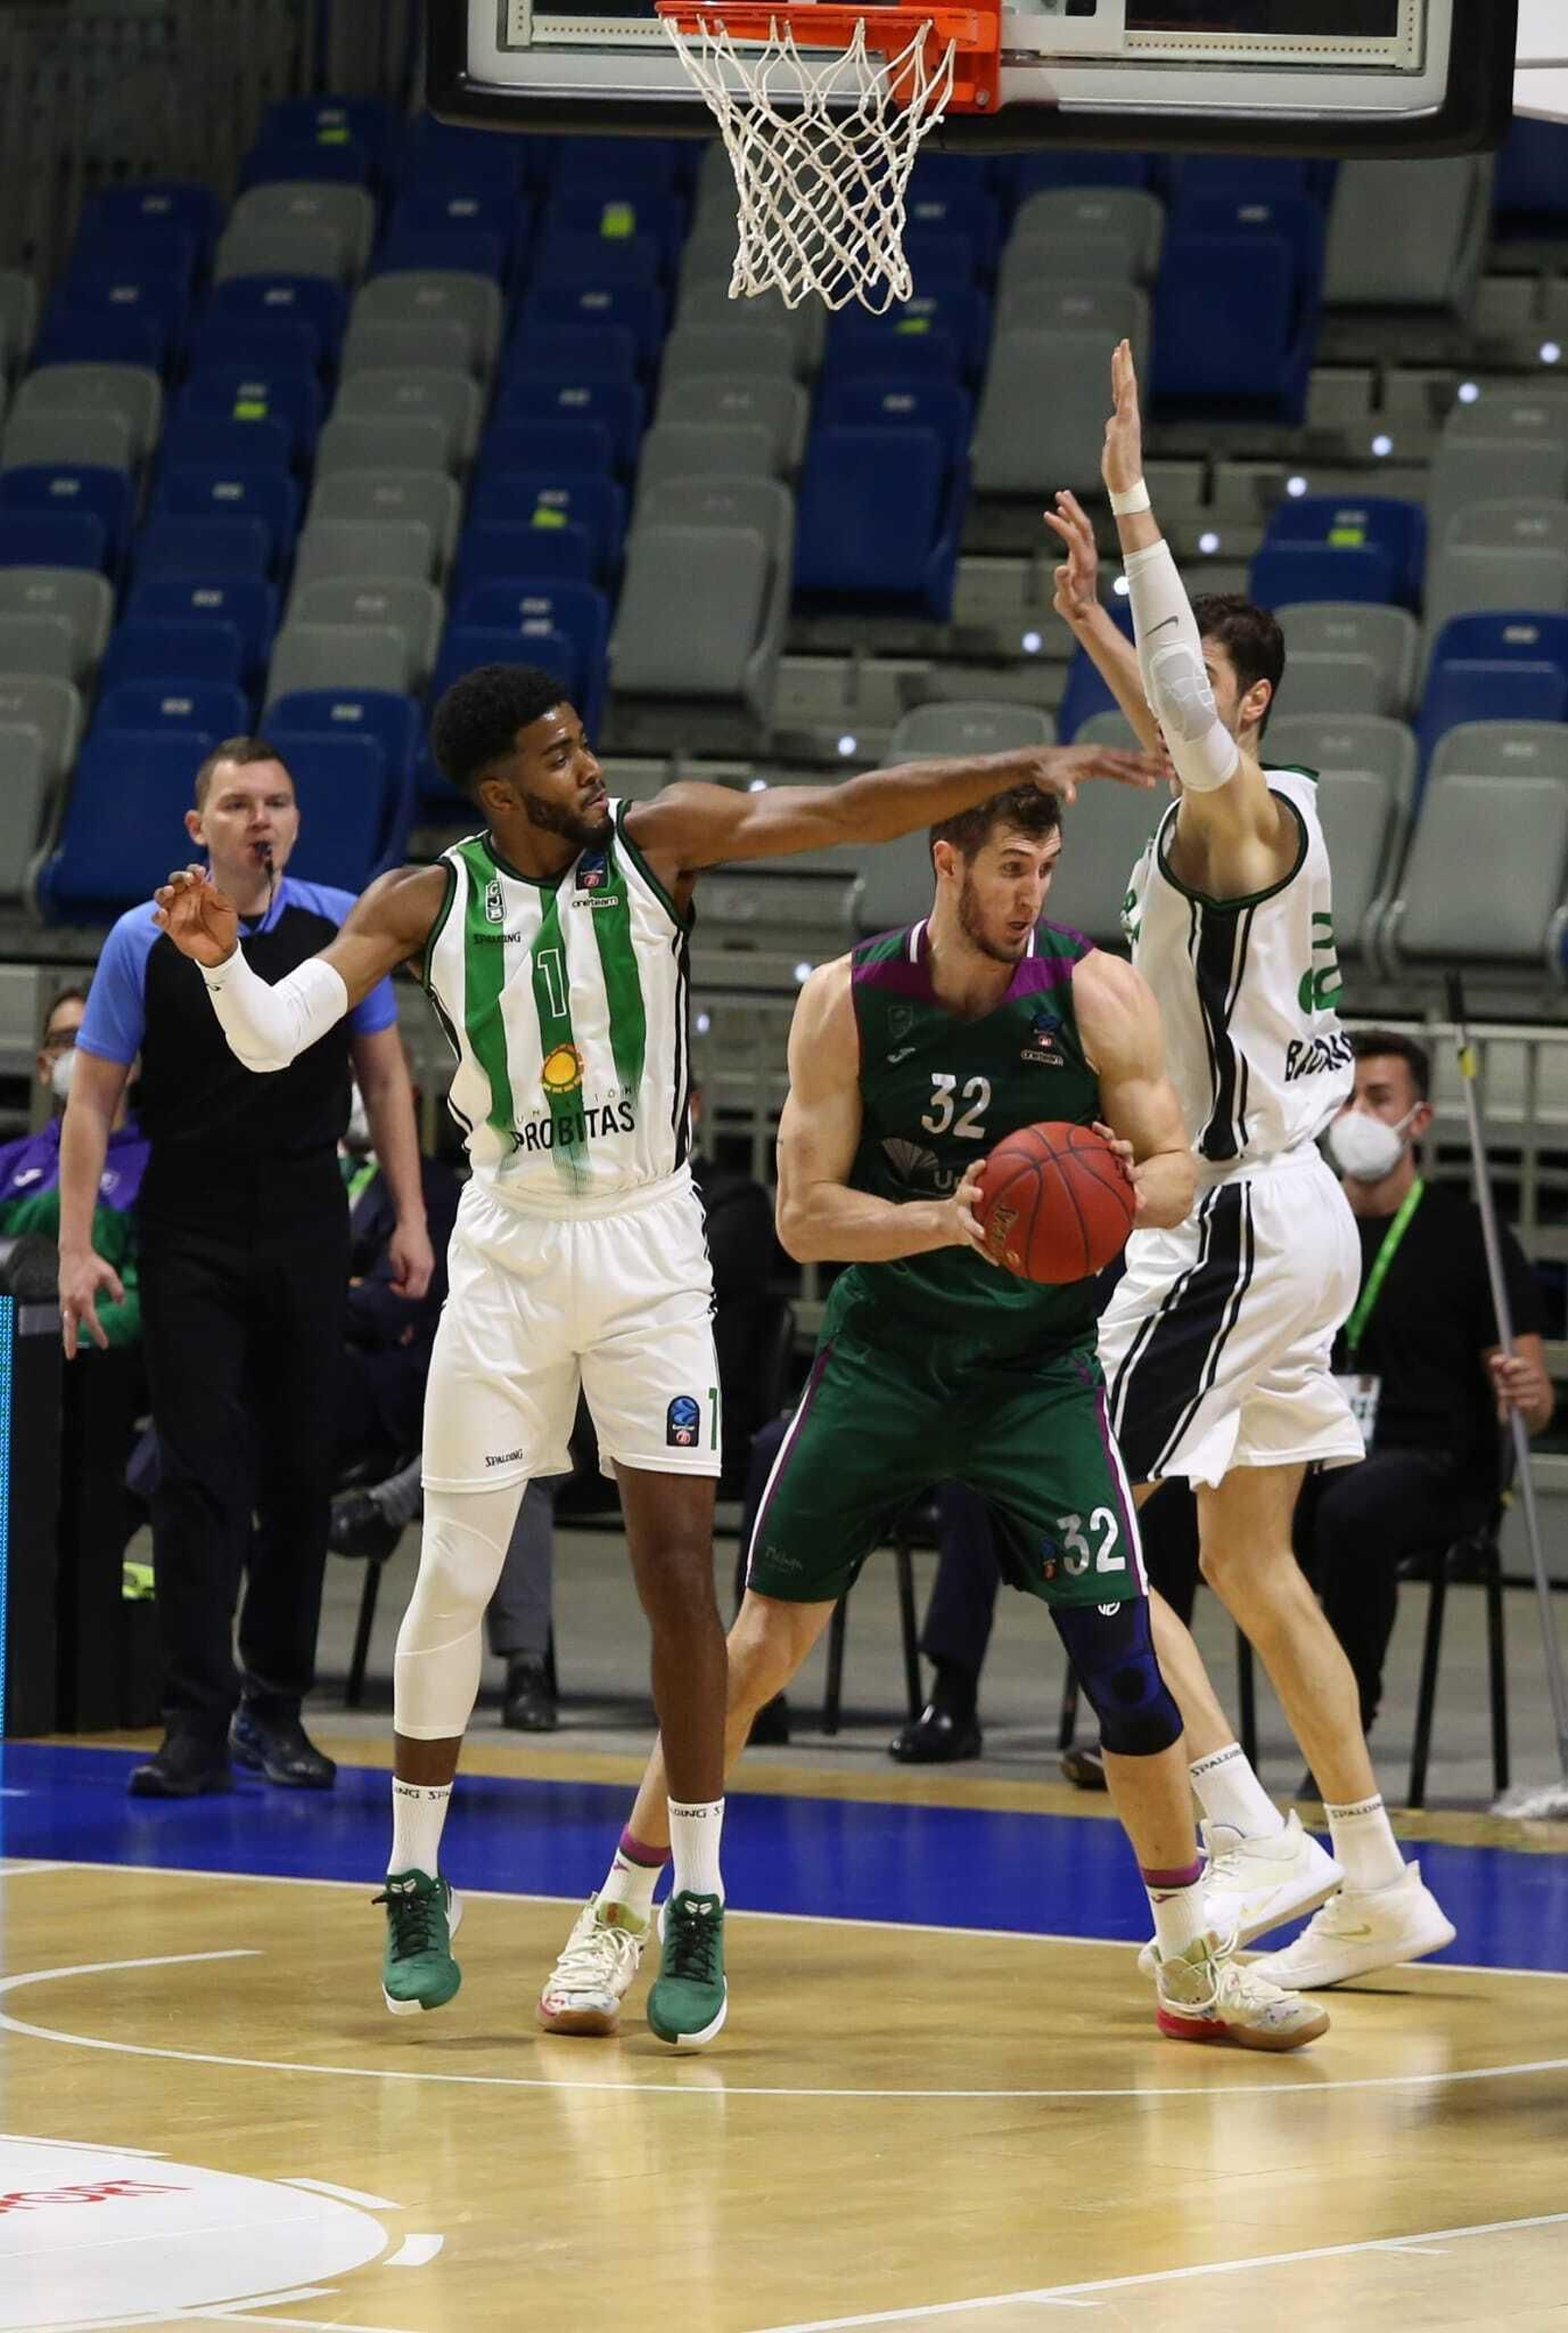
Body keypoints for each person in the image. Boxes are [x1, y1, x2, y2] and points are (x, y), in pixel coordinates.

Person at [151, 661, 1160, 2039]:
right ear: (502, 788)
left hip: (646, 1249)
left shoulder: (661, 843)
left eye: (585, 746)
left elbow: (853, 808)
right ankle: (411, 1877)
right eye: (561, 759)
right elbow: (275, 1035)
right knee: (455, 1564)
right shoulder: (423, 900)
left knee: (683, 1576)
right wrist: (220, 966)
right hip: (506, 1250)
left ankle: (694, 1901)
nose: (591, 770)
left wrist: (1013, 766)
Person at [537, 781, 1332, 2056]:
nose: (1033, 894)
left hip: (1035, 1378)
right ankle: (622, 1913)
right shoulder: (848, 1002)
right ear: (945, 861)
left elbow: (1179, 1164)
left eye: (1048, 868)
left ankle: (1195, 1966)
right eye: (1012, 868)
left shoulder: (1096, 990)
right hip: (885, 1367)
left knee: (1127, 1671)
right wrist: (955, 1219)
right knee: (755, 1650)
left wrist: (1109, 1191)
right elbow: (803, 1216)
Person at [1047, 341, 1454, 1988]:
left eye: (1206, 685)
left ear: (1258, 697)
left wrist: (1139, 504)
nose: (1185, 709)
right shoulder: (1237, 820)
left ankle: (1241, 1819)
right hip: (1297, 1220)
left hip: (1231, 1215)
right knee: (1246, 1558)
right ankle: (1373, 1871)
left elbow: (1191, 726)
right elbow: (1170, 730)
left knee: (1074, 1511)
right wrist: (1091, 622)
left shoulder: (1255, 815)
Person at [61, 736, 432, 1800]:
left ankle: (277, 1706)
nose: (258, 819)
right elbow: (92, 1098)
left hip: (309, 1214)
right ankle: (193, 1720)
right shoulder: (143, 935)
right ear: (199, 827)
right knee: (197, 1472)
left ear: (296, 822)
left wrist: (409, 1216)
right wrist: (80, 1244)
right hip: (191, 1221)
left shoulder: (339, 924)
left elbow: (388, 1080)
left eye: (275, 802)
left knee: (300, 1475)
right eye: (236, 804)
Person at [1296, 1027, 1553, 1741]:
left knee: (1354, 1512)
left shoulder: (1470, 1236)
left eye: (1378, 1099)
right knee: (1174, 1506)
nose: (1357, 1117)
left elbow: (1532, 1404)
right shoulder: (1303, 1227)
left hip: (1431, 1466)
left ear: (1419, 1119)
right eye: (1346, 1099)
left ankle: (1341, 1723)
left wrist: (1526, 1398)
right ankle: (1155, 1726)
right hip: (1312, 1448)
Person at [0, 986, 148, 1347]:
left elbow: (149, 1297)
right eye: (67, 1039)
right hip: (7, 1370)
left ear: (132, 1066)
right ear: (44, 1066)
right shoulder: (9, 1163)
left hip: (104, 1374)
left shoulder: (155, 1166)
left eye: (99, 1034)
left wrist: (55, 1340)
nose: (81, 1049)